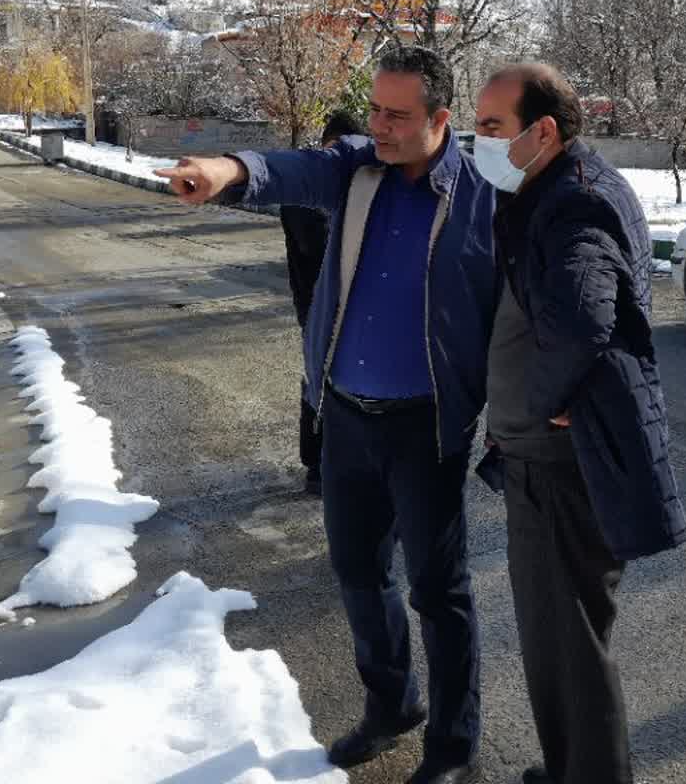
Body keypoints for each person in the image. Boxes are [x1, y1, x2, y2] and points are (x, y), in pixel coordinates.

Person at [156, 46, 494, 784]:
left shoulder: (479, 199)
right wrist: (226, 170)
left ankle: (453, 746)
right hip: (344, 415)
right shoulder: (357, 169)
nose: (380, 126)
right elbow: (292, 171)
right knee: (357, 571)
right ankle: (391, 706)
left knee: (438, 591)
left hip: (427, 426)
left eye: (397, 115)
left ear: (440, 118)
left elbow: (509, 315)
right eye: (373, 109)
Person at [472, 62, 686, 784]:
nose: (480, 141)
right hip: (552, 454)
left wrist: (538, 400)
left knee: (568, 641)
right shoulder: (556, 187)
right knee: (561, 637)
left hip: (559, 462)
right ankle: (573, 768)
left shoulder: (573, 203)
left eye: (492, 127)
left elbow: (584, 319)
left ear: (543, 131)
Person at [279, 108, 364, 496]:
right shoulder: (308, 192)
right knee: (322, 380)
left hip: (337, 303)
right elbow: (316, 244)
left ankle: (331, 462)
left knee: (337, 382)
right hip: (318, 303)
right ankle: (317, 465)